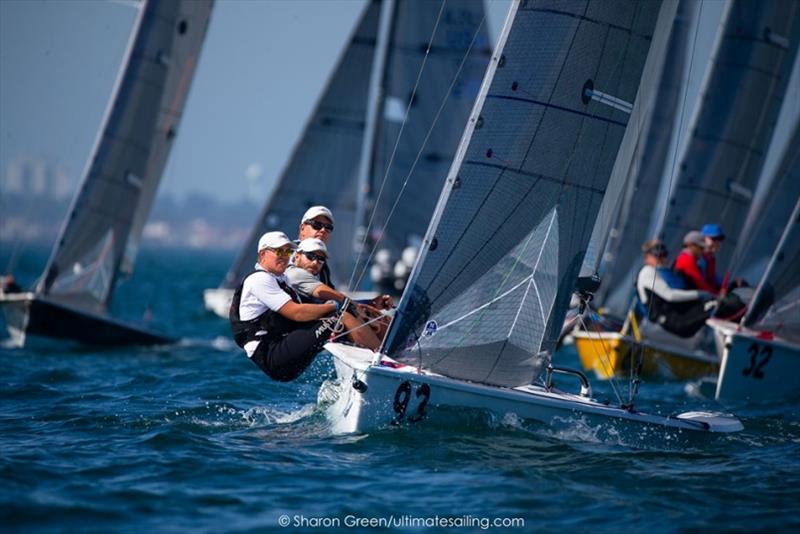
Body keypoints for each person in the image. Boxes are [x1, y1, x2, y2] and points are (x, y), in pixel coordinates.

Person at [230, 231, 373, 383]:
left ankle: (364, 367)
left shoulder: (282, 280)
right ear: (263, 254)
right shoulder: (259, 279)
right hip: (271, 355)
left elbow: (312, 309)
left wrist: (367, 303)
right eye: (279, 251)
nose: (285, 255)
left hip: (283, 350)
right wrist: (334, 306)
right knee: (340, 318)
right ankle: (383, 360)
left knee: (342, 323)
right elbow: (297, 313)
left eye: (288, 251)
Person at [286, 238, 389, 343]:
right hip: (294, 334)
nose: (315, 262)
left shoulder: (311, 276)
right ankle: (380, 353)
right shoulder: (295, 273)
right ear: (297, 256)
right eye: (310, 256)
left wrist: (371, 303)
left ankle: (392, 347)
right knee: (345, 314)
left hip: (309, 326)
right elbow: (338, 298)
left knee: (365, 312)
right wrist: (358, 307)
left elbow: (341, 301)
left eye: (320, 259)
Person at [637, 239, 715, 337]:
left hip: (676, 317)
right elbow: (670, 295)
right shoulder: (647, 272)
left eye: (664, 255)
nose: (662, 258)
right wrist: (700, 294)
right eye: (658, 256)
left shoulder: (665, 272)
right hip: (663, 323)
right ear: (647, 258)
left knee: (715, 306)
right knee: (713, 306)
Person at [298, 206, 337, 288]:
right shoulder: (288, 254)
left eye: (328, 227)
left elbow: (330, 293)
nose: (323, 230)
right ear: (302, 228)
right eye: (317, 225)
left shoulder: (323, 262)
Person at [699, 223, 724, 290]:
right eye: (714, 238)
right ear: (703, 239)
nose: (717, 242)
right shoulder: (697, 259)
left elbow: (715, 279)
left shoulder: (710, 259)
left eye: (720, 239)